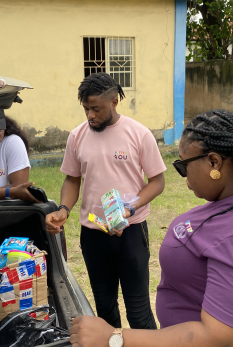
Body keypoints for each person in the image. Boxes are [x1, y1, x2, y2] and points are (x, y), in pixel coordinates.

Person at [69, 110, 233, 347]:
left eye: (184, 166)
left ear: (214, 162)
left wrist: (115, 338)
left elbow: (220, 338)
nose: (185, 179)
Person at [45, 73, 166, 329]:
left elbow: (157, 182)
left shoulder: (139, 134)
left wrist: (130, 208)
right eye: (86, 109)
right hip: (93, 234)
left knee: (138, 310)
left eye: (96, 108)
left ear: (114, 102)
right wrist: (64, 209)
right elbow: (72, 180)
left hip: (131, 232)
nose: (90, 115)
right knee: (104, 307)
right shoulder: (77, 136)